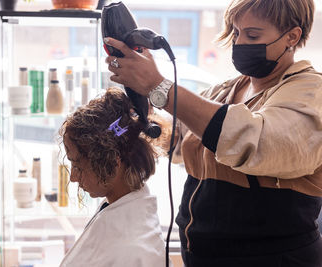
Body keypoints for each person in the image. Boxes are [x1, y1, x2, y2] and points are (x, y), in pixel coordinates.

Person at [104, 0, 322, 266]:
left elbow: (256, 142)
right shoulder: (226, 91)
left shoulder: (311, 93)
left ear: (292, 36)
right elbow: (178, 138)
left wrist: (159, 86)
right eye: (236, 32)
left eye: (252, 35)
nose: (240, 42)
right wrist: (142, 109)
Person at [59, 87, 171, 267]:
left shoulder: (131, 252)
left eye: (78, 166)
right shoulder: (117, 208)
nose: (73, 177)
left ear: (113, 162)